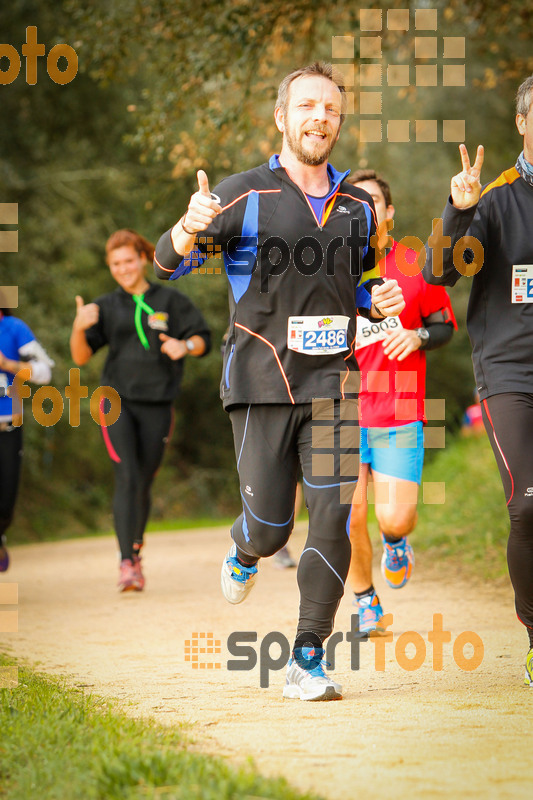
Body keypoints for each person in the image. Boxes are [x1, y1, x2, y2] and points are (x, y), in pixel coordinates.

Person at [154, 62, 405, 700]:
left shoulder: (356, 208)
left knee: (332, 514)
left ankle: (308, 655)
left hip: (335, 387)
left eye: (331, 109)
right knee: (271, 528)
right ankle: (243, 547)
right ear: (282, 117)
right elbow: (166, 263)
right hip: (262, 382)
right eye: (307, 106)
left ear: (339, 123)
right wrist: (188, 226)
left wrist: (377, 298)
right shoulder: (243, 194)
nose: (320, 117)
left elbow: (356, 284)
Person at [423, 74, 533, 687]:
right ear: (522, 122)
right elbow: (438, 272)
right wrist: (458, 208)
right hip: (511, 373)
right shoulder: (495, 200)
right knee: (528, 505)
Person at [346, 171, 456, 634]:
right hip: (341, 412)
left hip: (398, 411)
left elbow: (446, 326)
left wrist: (417, 335)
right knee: (345, 515)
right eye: (357, 203)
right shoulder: (330, 267)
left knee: (396, 515)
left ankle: (395, 541)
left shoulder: (415, 265)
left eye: (375, 202)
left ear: (389, 211)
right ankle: (366, 600)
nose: (368, 210)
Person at [70, 229, 211, 592]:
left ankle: (134, 549)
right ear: (110, 267)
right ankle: (126, 563)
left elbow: (203, 339)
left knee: (144, 480)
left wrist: (185, 345)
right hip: (114, 401)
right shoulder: (103, 307)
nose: (123, 268)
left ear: (143, 259)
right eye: (116, 263)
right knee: (127, 475)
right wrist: (78, 327)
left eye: (129, 260)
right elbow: (81, 355)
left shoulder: (171, 301)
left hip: (158, 403)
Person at [0, 305, 54, 571]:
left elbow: (45, 373)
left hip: (8, 426)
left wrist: (7, 364)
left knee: (5, 502)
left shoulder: (14, 328)